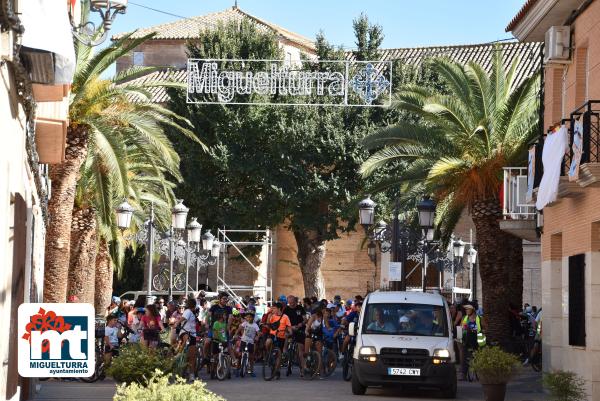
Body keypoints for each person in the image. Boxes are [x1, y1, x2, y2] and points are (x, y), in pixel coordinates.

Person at [203, 293, 233, 366]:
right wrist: (206, 324)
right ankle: (205, 357)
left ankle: (229, 361)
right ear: (220, 299)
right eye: (224, 299)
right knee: (207, 342)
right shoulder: (214, 307)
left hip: (223, 329)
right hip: (213, 328)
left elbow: (230, 318)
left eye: (226, 299)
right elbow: (208, 316)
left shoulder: (229, 308)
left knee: (228, 345)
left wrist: (228, 327)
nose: (225, 300)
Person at [265, 302, 292, 379]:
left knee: (279, 355)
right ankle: (269, 354)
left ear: (279, 309)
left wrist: (289, 333)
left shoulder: (285, 317)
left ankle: (277, 370)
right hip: (273, 334)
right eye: (272, 308)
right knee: (268, 342)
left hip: (281, 336)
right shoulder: (272, 316)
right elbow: (267, 325)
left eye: (274, 308)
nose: (272, 309)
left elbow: (289, 328)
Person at [461, 304, 485, 380]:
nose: (466, 311)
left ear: (473, 310)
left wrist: (479, 331)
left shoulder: (479, 318)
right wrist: (464, 329)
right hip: (467, 340)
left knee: (478, 358)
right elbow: (461, 328)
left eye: (468, 309)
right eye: (466, 309)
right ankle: (463, 374)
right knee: (465, 357)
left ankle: (480, 374)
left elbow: (485, 328)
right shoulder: (465, 318)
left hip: (477, 341)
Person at [283, 295, 307, 372]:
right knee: (286, 335)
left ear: (295, 301)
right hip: (290, 328)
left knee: (301, 348)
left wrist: (301, 324)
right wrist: (290, 327)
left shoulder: (300, 308)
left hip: (300, 328)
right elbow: (283, 320)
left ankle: (303, 368)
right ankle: (285, 351)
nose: (291, 304)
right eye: (290, 303)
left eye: (292, 302)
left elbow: (305, 319)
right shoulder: (286, 309)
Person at [178, 298, 198, 381]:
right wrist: (176, 323)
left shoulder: (192, 313)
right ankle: (179, 353)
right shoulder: (188, 311)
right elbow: (183, 319)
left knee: (192, 356)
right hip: (186, 332)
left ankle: (191, 374)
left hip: (192, 334)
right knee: (186, 340)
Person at [235, 311, 260, 376]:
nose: (248, 318)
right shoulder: (245, 323)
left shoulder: (255, 325)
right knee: (240, 355)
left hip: (251, 342)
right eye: (247, 317)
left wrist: (257, 337)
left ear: (253, 318)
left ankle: (251, 371)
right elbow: (239, 329)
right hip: (243, 341)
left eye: (250, 317)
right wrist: (236, 334)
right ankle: (237, 369)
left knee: (251, 357)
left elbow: (258, 333)